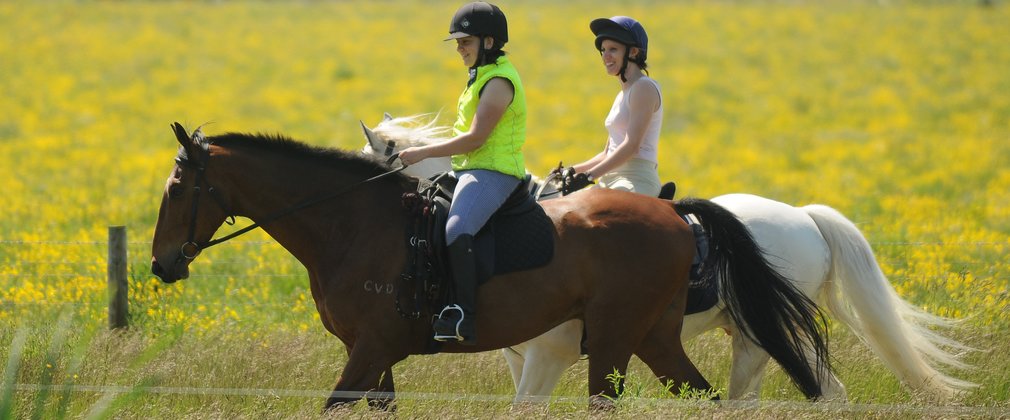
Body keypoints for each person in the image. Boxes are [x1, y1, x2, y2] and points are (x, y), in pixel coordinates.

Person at [396, 1, 526, 345]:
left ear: (488, 42)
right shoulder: (479, 78)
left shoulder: (499, 81)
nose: (459, 49)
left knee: (457, 227)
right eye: (457, 43)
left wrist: (421, 152)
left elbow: (475, 139)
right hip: (470, 170)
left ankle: (463, 313)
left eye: (464, 42)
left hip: (494, 172)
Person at [564, 16, 663, 197]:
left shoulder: (643, 87)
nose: (605, 56)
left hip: (637, 179)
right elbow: (606, 154)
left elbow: (632, 145)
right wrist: (571, 171)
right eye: (602, 50)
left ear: (633, 52)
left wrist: (589, 176)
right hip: (609, 178)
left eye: (613, 49)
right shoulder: (622, 95)